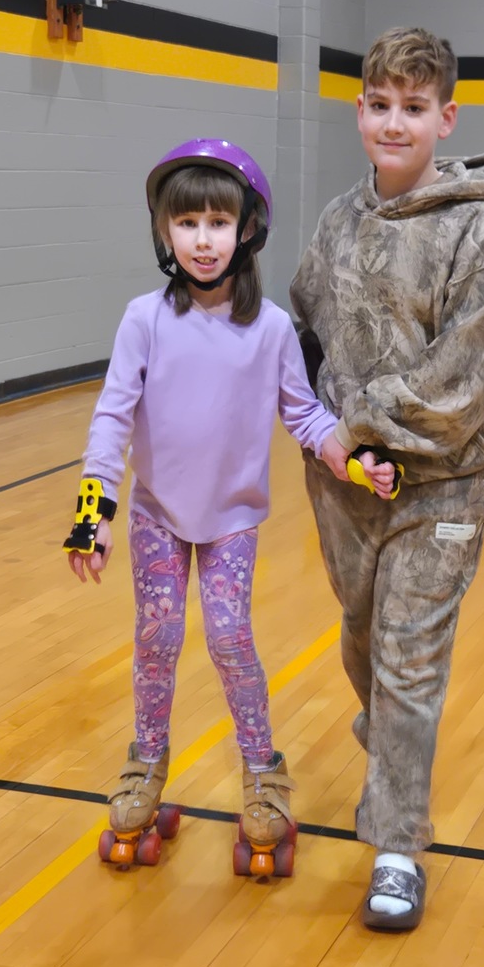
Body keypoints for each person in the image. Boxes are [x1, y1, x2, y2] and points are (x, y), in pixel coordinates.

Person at [63, 139, 385, 874]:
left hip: (233, 519)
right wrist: (94, 511)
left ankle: (262, 771)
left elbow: (303, 417)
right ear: (164, 234)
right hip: (154, 514)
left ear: (247, 231)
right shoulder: (143, 319)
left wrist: (354, 457)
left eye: (217, 223)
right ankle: (146, 763)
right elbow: (112, 416)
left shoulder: (269, 327)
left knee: (231, 638)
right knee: (158, 637)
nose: (202, 240)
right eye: (186, 225)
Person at [290, 27, 484, 928]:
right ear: (360, 113)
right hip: (346, 490)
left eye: (415, 107)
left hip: (443, 489)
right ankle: (392, 739)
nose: (396, 123)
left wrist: (360, 418)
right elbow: (305, 331)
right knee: (363, 648)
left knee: (408, 663)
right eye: (380, 105)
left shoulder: (476, 231)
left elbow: (463, 386)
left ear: (446, 116)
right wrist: (320, 436)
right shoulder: (337, 222)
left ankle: (396, 848)